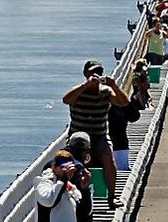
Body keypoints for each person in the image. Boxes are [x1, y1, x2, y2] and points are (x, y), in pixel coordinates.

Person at [62, 60, 129, 210]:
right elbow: (66, 99)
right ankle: (69, 195)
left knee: (109, 159)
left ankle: (111, 196)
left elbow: (124, 103)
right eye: (92, 72)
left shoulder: (105, 91)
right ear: (86, 74)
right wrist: (85, 86)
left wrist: (114, 86)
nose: (95, 76)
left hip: (99, 137)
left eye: (98, 72)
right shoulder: (78, 91)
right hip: (78, 138)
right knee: (70, 163)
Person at [35, 151, 85, 222]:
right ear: (54, 168)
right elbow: (48, 202)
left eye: (70, 167)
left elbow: (84, 212)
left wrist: (85, 189)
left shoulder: (69, 186)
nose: (67, 170)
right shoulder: (45, 183)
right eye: (63, 167)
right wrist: (62, 179)